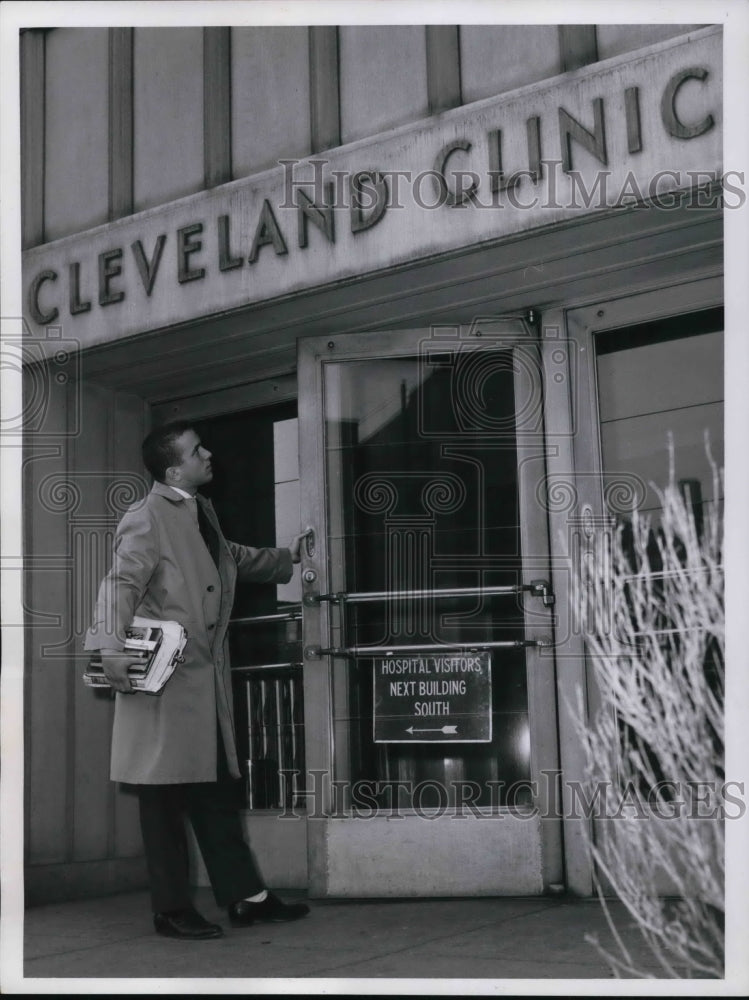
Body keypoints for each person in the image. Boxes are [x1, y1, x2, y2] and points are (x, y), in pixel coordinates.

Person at [84, 420, 310, 940]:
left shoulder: (196, 510)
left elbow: (226, 558)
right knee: (161, 799)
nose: (207, 453)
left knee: (213, 791)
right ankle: (170, 908)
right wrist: (107, 645)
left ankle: (246, 898)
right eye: (196, 450)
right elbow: (120, 581)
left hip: (198, 683)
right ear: (173, 468)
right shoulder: (146, 517)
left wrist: (287, 558)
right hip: (164, 682)